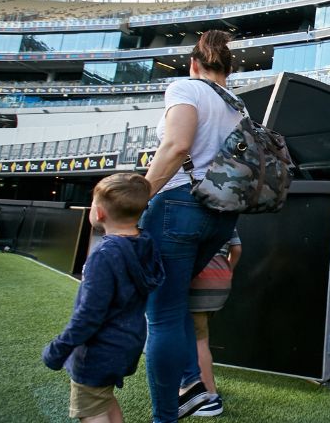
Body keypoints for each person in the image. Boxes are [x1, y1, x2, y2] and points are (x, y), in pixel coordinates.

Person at [140, 30, 243, 423]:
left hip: (178, 205)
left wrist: (140, 196)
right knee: (178, 303)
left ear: (194, 64)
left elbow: (177, 146)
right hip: (221, 215)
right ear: (228, 69)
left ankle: (165, 414)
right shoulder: (238, 104)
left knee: (161, 314)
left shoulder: (185, 87)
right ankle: (192, 386)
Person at [43, 173, 165, 423]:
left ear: (98, 213)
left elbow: (88, 315)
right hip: (128, 344)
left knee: (91, 410)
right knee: (103, 398)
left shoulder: (104, 255)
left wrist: (57, 349)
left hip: (97, 352)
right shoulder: (145, 244)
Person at [187, 228, 242, 417]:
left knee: (197, 339)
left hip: (199, 281)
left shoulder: (194, 214)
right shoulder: (224, 214)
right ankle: (200, 382)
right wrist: (229, 269)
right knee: (202, 334)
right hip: (220, 281)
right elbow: (237, 249)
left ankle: (208, 397)